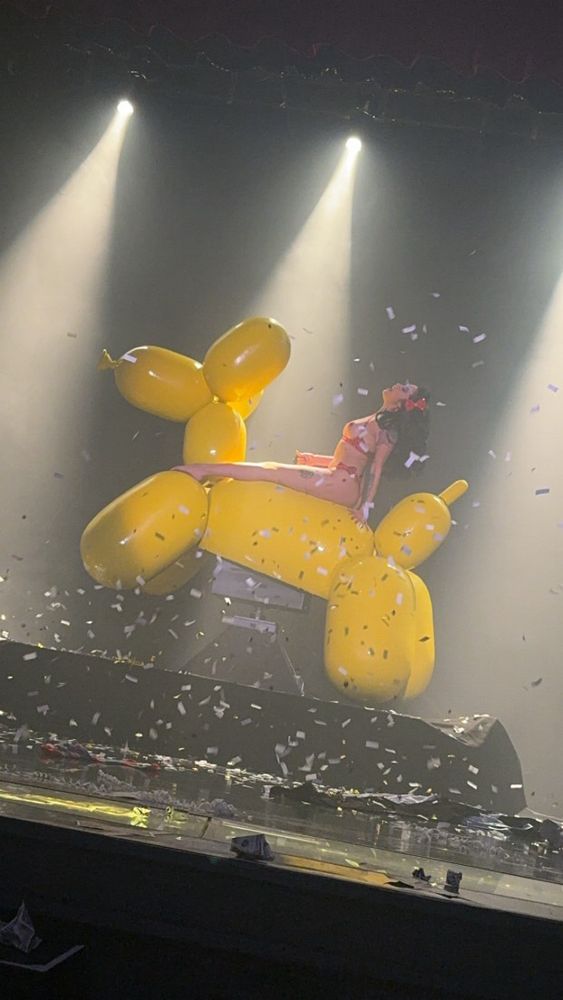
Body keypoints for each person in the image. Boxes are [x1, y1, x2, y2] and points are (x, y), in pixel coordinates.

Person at [173, 382, 430, 524]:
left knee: (271, 470)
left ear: (401, 405)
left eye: (405, 389)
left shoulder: (387, 433)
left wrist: (365, 509)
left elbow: (375, 470)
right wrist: (314, 459)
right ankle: (208, 474)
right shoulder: (376, 420)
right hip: (338, 476)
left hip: (341, 484)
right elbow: (351, 460)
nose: (399, 384)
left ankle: (203, 469)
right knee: (272, 476)